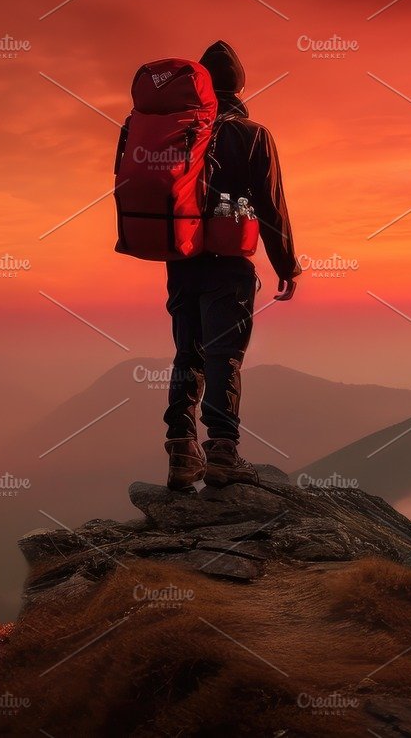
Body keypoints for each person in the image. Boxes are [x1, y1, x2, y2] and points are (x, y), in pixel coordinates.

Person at [164, 40, 299, 489]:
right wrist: (287, 265)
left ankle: (181, 452)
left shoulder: (174, 132)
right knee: (223, 354)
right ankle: (222, 451)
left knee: (188, 353)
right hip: (229, 263)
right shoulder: (252, 134)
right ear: (240, 86)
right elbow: (271, 206)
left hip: (181, 259)